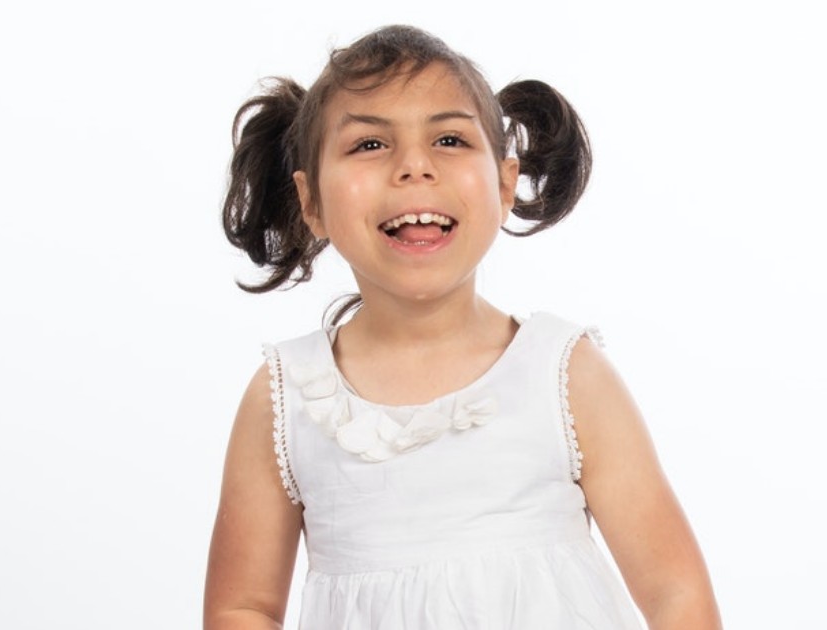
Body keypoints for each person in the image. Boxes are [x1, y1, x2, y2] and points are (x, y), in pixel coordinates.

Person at [204, 24, 721, 630]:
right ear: (311, 200)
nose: (414, 167)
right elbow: (244, 607)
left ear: (504, 184)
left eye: (449, 138)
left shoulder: (563, 372)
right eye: (370, 145)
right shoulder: (287, 397)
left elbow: (675, 593)